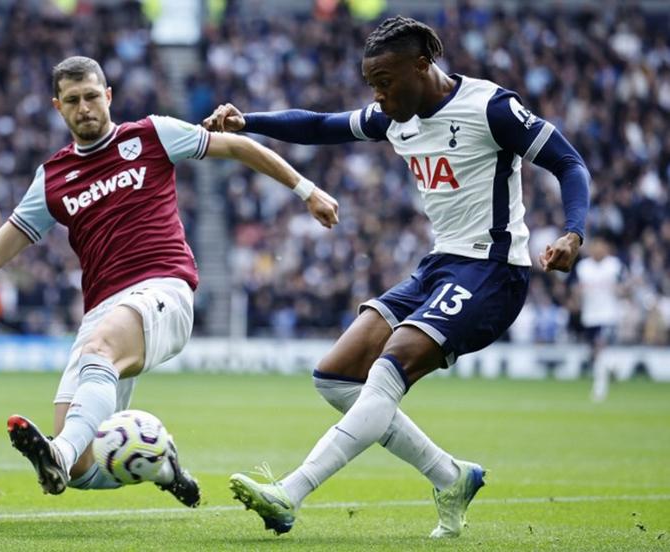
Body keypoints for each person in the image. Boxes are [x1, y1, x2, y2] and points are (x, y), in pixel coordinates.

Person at [0, 56, 339, 506]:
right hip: (102, 311)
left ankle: (57, 450)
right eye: (72, 100)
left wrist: (307, 190)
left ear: (109, 95)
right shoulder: (52, 178)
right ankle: (160, 465)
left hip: (163, 289)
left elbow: (236, 145)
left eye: (92, 96)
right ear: (58, 106)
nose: (84, 108)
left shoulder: (152, 134)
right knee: (79, 471)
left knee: (85, 390)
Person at [204, 16, 589, 537]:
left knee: (389, 368)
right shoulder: (394, 117)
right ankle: (451, 476)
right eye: (372, 86)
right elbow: (320, 126)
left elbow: (569, 163)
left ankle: (289, 493)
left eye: (385, 82)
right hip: (439, 266)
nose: (378, 96)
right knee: (337, 377)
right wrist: (249, 121)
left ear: (422, 64)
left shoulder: (490, 108)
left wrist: (572, 233)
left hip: (493, 272)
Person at [573, 233, 625, 401]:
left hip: (607, 315)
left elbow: (624, 287)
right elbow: (576, 290)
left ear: (607, 248)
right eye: (595, 245)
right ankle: (614, 367)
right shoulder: (583, 267)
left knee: (600, 349)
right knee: (596, 354)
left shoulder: (614, 266)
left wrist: (621, 289)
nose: (598, 249)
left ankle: (599, 389)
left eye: (601, 246)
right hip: (589, 316)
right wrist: (577, 295)